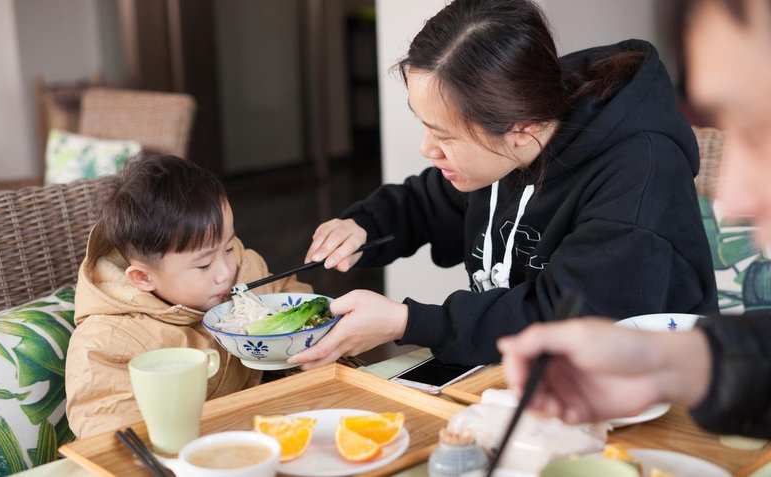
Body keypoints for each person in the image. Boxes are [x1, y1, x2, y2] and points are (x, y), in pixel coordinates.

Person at [291, 0, 717, 369]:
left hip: (643, 393)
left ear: (521, 128)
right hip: (519, 377)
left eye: (444, 136)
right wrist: (364, 226)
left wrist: (407, 322)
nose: (427, 149)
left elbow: (567, 322)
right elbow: (433, 202)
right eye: (425, 127)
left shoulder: (640, 175)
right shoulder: (515, 128)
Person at [499, 0, 771, 438]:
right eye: (727, 124)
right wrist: (661, 363)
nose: (731, 194)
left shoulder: (639, 167)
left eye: (760, 131)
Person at [65, 154, 312, 438]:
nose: (225, 272)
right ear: (143, 278)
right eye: (204, 265)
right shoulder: (108, 342)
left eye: (229, 247)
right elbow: (110, 432)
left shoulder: (245, 270)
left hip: (263, 431)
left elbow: (292, 299)